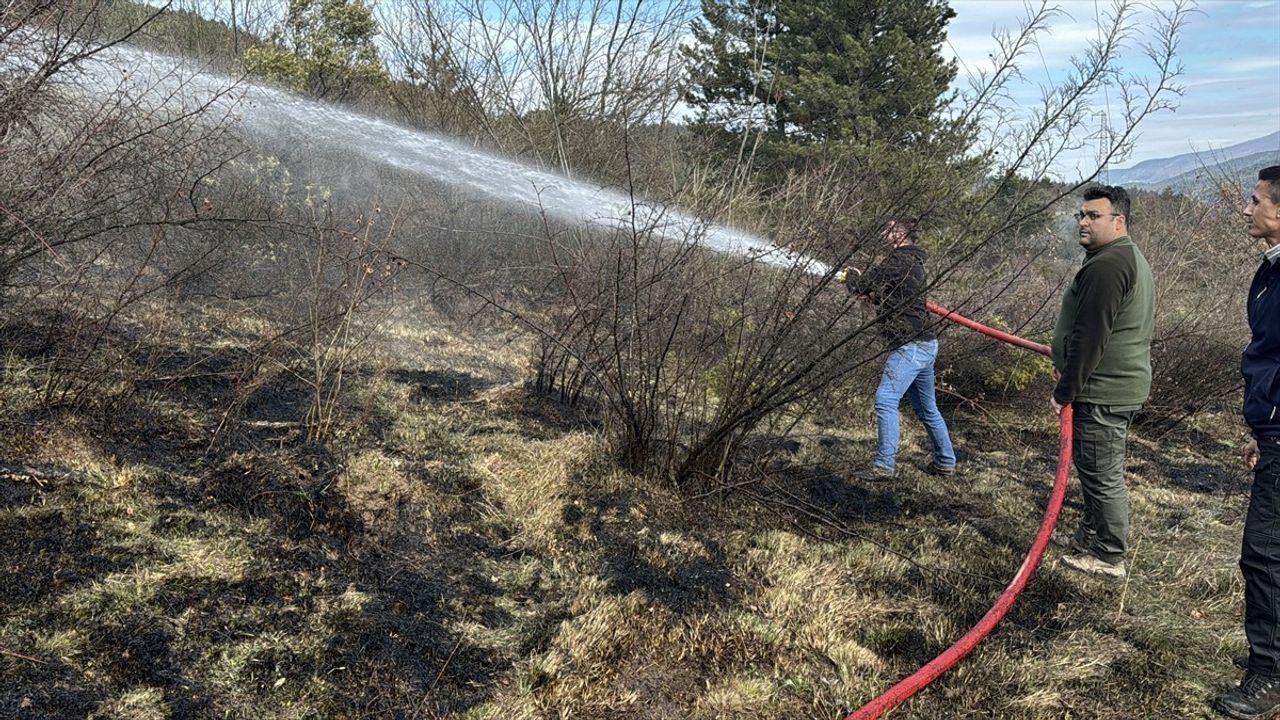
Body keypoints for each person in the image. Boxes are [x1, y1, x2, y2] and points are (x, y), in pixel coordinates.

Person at [1050, 184, 1155, 579]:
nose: (1083, 222)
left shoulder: (1109, 265)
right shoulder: (1120, 257)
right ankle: (1092, 533)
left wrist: (1065, 391)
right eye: (1082, 215)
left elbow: (1091, 335)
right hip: (1111, 386)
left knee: (1102, 471)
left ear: (1118, 221)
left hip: (1104, 389)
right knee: (1093, 465)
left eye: (1094, 216)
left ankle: (1109, 554)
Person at [1213, 165, 1280, 720]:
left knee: (1262, 554)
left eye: (1255, 200)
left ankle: (1269, 675)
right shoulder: (1270, 270)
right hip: (1274, 429)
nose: (1246, 209)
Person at [843, 219, 956, 481]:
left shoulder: (898, 262)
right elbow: (894, 295)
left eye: (887, 230)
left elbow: (860, 285)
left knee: (885, 400)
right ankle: (946, 461)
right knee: (926, 408)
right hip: (925, 344)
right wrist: (876, 296)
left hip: (911, 346)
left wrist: (853, 277)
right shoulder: (912, 263)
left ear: (898, 235)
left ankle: (883, 466)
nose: (883, 235)